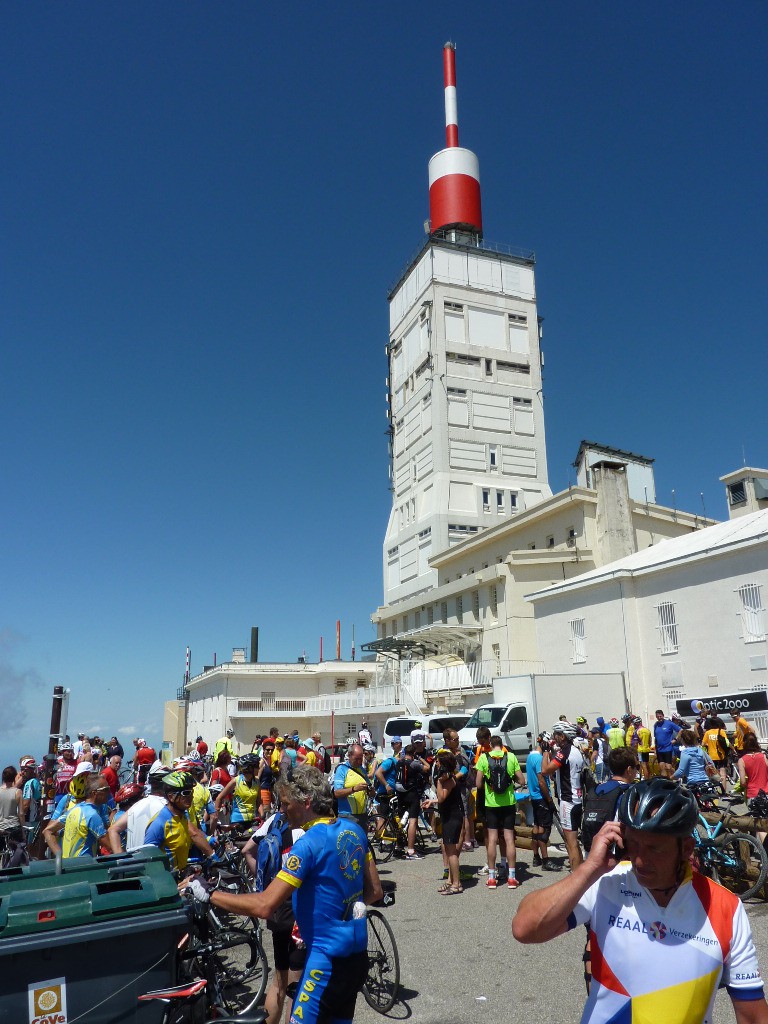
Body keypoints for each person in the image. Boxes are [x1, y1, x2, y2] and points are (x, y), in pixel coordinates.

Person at [512, 779, 768, 1024]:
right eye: (633, 844)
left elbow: (753, 1016)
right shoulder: (607, 882)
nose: (640, 861)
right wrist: (590, 867)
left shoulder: (726, 908)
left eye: (655, 848)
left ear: (687, 848)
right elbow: (525, 928)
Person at [185, 765, 383, 1024]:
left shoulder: (308, 843)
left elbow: (266, 905)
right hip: (355, 958)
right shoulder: (354, 830)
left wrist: (210, 894)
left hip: (324, 961)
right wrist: (336, 913)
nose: (282, 809)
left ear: (307, 802)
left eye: (287, 803)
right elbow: (374, 891)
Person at [475, 733, 526, 889]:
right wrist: (511, 781)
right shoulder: (510, 756)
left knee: (492, 840)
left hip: (491, 804)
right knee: (509, 838)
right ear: (502, 744)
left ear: (490, 744)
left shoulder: (484, 758)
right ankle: (511, 877)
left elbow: (478, 784)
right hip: (508, 803)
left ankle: (491, 878)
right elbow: (522, 780)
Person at [143, 770, 215, 872]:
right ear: (171, 796)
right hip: (168, 882)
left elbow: (195, 834)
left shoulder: (182, 817)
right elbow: (148, 859)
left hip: (182, 875)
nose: (191, 797)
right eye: (186, 793)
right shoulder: (159, 824)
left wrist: (211, 851)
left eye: (192, 792)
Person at [542, 722, 585, 870]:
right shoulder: (575, 750)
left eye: (556, 734)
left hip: (568, 800)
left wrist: (546, 751)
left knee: (571, 842)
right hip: (577, 799)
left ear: (563, 736)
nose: (554, 736)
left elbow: (545, 770)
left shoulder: (564, 752)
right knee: (574, 842)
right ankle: (579, 872)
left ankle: (576, 877)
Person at [47, 774, 119, 858]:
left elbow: (48, 831)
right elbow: (111, 847)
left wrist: (60, 858)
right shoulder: (92, 815)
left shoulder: (74, 810)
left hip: (68, 866)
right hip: (83, 867)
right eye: (106, 789)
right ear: (94, 793)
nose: (109, 793)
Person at [107, 759, 169, 851]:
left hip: (135, 861)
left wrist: (120, 858)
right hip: (160, 862)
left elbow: (112, 830)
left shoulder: (136, 806)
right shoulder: (168, 807)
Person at [527, 733, 559, 872]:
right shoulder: (539, 759)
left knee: (537, 826)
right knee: (544, 829)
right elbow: (541, 781)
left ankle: (536, 857)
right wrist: (550, 800)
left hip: (534, 797)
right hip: (541, 797)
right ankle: (546, 860)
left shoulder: (530, 756)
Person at [435, 749, 464, 894]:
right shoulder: (447, 777)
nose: (436, 763)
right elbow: (442, 799)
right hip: (449, 815)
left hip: (453, 817)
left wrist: (439, 782)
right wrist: (431, 801)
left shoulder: (448, 780)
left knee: (452, 852)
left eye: (438, 761)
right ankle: (450, 881)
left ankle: (456, 884)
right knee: (448, 849)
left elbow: (442, 797)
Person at [332, 743, 370, 829]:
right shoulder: (342, 769)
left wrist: (371, 791)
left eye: (361, 759)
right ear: (349, 755)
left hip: (363, 815)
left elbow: (370, 788)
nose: (359, 762)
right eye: (356, 759)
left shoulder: (362, 770)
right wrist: (354, 789)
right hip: (347, 815)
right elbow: (337, 793)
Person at [702, 716, 730, 787]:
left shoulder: (708, 733)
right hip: (721, 755)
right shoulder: (721, 731)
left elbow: (703, 744)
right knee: (723, 772)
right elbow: (727, 742)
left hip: (711, 756)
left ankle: (717, 790)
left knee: (714, 774)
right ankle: (724, 792)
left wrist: (709, 743)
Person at [652, 709, 681, 779]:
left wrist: (675, 739)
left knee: (668, 767)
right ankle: (665, 781)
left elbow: (680, 730)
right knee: (662, 767)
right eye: (657, 717)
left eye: (660, 716)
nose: (659, 718)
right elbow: (656, 738)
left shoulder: (669, 723)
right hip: (659, 749)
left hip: (668, 748)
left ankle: (677, 778)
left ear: (663, 715)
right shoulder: (656, 725)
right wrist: (655, 749)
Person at [0, 765, 24, 845]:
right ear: (14, 777)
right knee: (18, 851)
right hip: (13, 826)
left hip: (1, 827)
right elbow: (21, 813)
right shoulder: (18, 792)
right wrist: (23, 830)